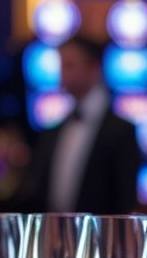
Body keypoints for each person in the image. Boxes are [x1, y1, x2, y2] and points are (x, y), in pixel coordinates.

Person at [16, 36, 140, 214]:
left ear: (94, 68)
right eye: (61, 66)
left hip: (101, 237)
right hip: (54, 235)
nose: (62, 74)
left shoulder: (121, 131)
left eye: (70, 65)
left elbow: (125, 202)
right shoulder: (53, 130)